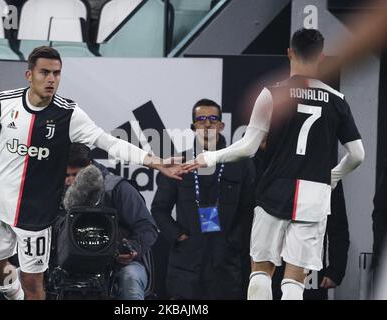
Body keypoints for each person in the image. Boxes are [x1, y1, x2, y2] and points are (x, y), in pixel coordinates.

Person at [0, 46, 184, 300]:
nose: (51, 79)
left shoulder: (69, 114)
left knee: (33, 282)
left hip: (36, 214)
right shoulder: (5, 102)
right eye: (45, 72)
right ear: (29, 75)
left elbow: (110, 142)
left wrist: (154, 161)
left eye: (57, 73)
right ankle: (15, 296)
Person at [186, 29, 365, 300]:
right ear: (322, 57)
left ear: (289, 53)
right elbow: (357, 154)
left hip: (274, 189)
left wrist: (210, 157)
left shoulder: (272, 93)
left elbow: (247, 147)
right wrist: (333, 177)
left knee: (260, 271)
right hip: (314, 194)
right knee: (295, 279)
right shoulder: (337, 101)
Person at [151, 99, 255, 299]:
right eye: (201, 120)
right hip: (186, 261)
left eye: (213, 119)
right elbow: (159, 209)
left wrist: (234, 241)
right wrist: (178, 236)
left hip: (226, 261)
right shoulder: (179, 163)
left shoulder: (241, 164)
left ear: (221, 125)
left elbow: (250, 208)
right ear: (193, 127)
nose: (207, 124)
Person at [62, 143, 158, 300]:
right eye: (66, 175)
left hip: (118, 263)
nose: (70, 181)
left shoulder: (116, 188)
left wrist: (132, 249)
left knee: (130, 278)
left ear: (89, 168)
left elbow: (147, 227)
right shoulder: (52, 191)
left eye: (76, 175)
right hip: (67, 263)